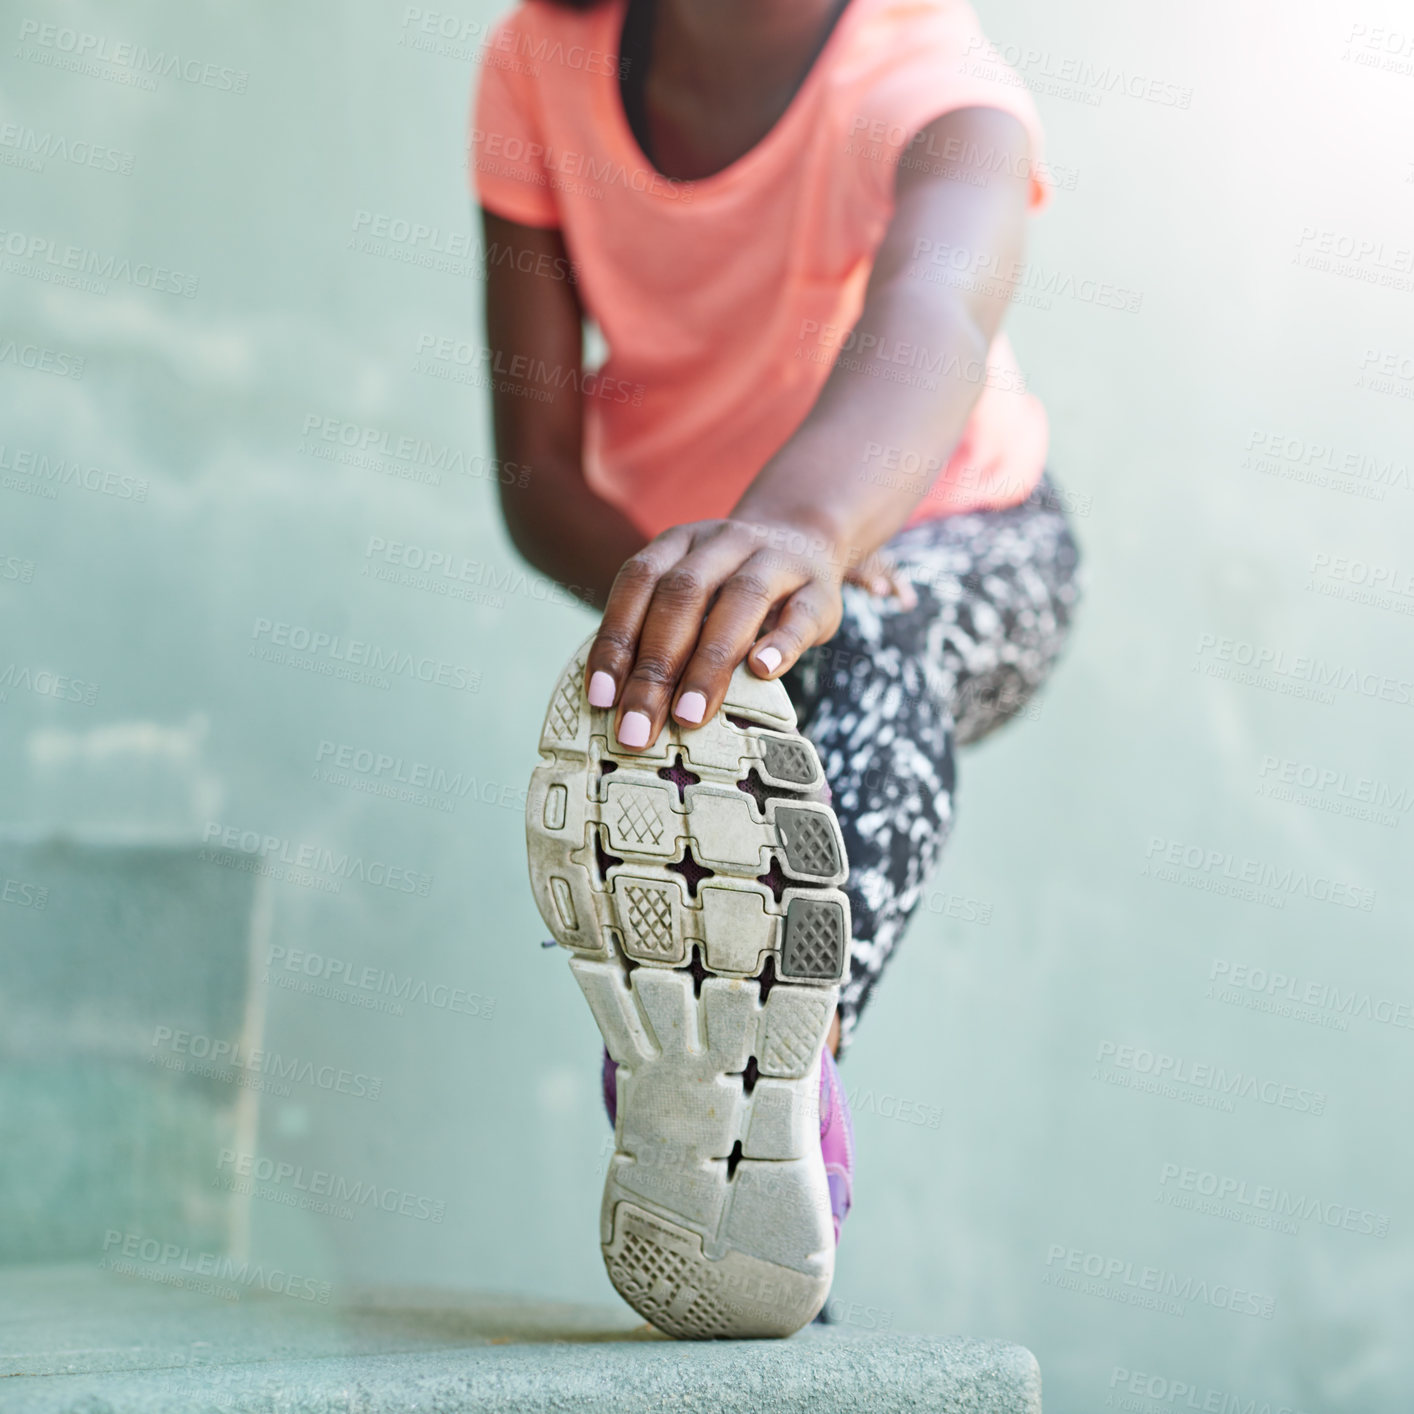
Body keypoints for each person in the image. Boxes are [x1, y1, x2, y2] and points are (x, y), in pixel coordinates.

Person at [473, 0, 1081, 1337]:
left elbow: (938, 305)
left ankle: (772, 1059)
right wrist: (689, 609)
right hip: (712, 577)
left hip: (959, 538)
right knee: (712, 757)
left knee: (863, 634)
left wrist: (803, 532)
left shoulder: (930, 74)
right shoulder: (538, 62)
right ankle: (734, 1154)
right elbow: (536, 475)